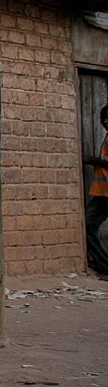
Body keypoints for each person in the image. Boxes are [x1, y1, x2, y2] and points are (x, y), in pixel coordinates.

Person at [83, 104, 108, 275]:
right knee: (87, 225)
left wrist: (93, 160)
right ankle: (105, 266)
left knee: (89, 224)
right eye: (102, 118)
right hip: (102, 192)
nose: (105, 121)